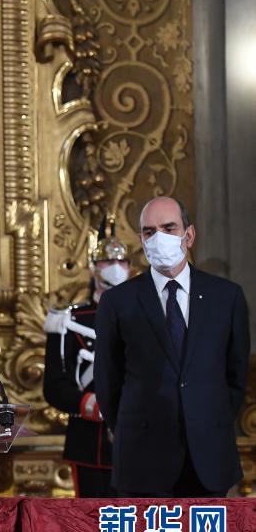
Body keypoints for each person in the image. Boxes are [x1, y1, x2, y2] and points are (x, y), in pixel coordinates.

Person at [94, 197, 250, 497]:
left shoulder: (226, 297)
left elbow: (236, 376)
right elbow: (107, 382)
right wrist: (134, 427)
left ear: (188, 235)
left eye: (169, 228)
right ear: (141, 239)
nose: (159, 238)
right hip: (141, 460)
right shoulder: (117, 302)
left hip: (209, 458)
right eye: (149, 231)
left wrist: (208, 419)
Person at [43, 223, 130, 497]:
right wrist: (90, 403)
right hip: (91, 443)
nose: (115, 268)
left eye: (121, 262)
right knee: (92, 522)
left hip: (141, 441)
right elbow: (54, 386)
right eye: (107, 261)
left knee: (141, 521)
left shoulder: (148, 317)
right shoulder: (69, 320)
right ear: (94, 267)